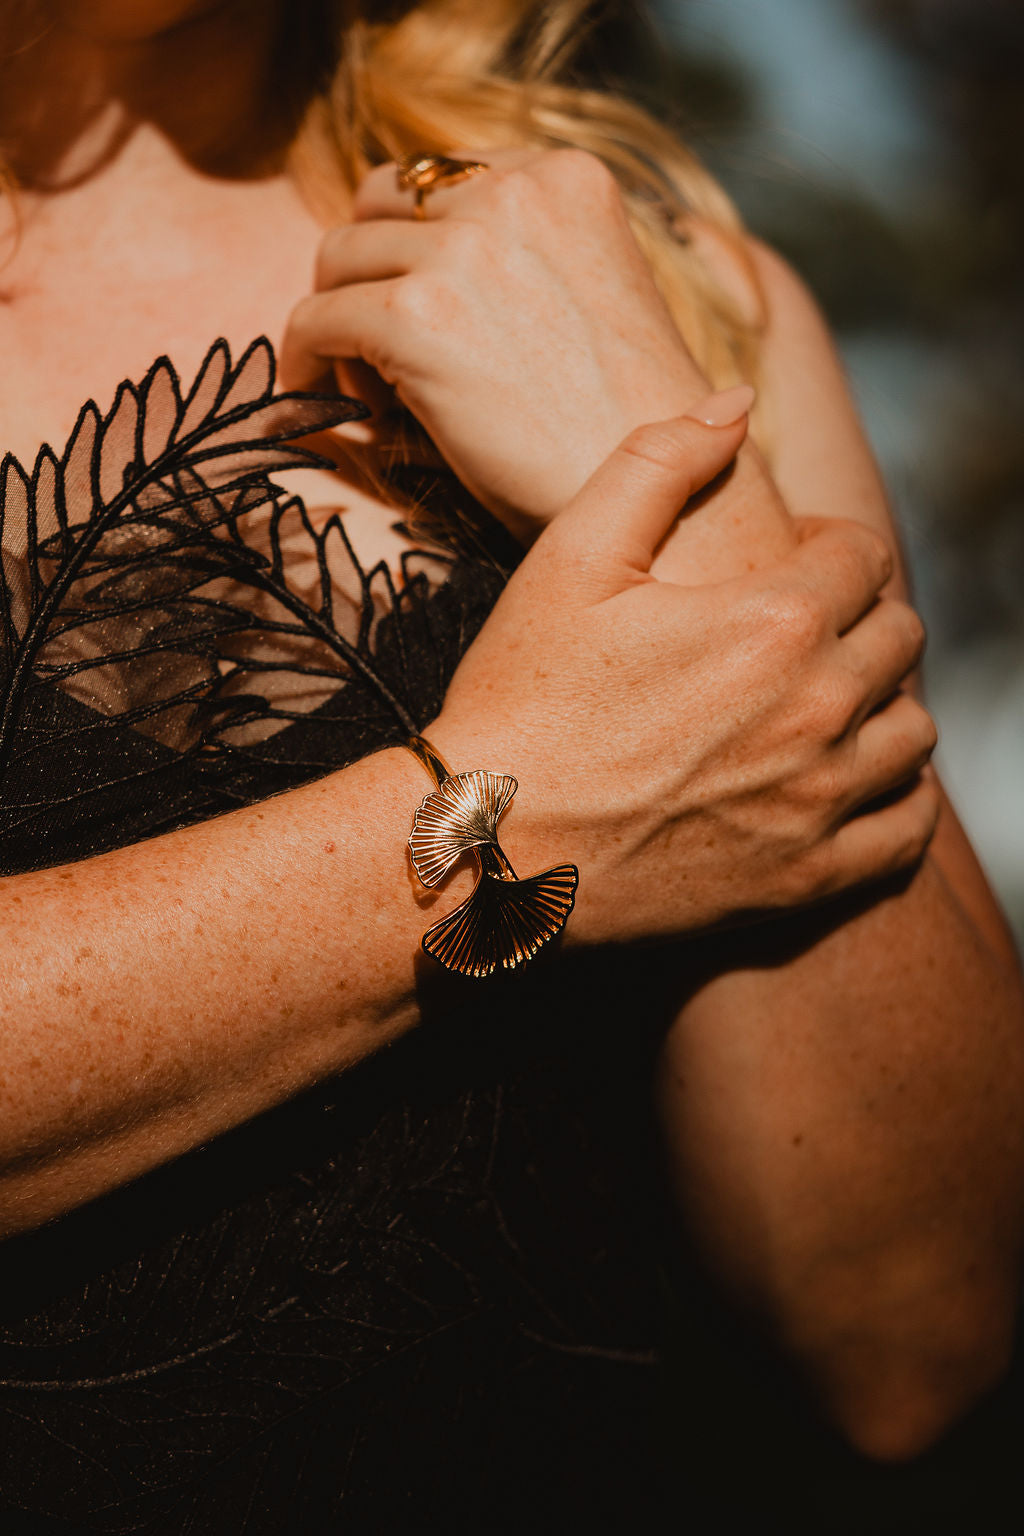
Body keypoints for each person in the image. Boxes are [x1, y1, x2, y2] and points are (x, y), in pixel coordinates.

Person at [0, 0, 1021, 1530]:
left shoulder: (662, 284)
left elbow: (914, 1327)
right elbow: (557, 800)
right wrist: (522, 803)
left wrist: (669, 441)